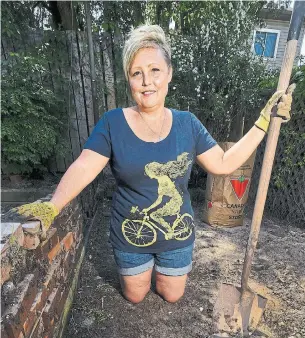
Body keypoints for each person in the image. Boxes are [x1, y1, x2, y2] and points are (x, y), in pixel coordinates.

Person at [11, 25, 294, 304]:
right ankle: (139, 267)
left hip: (176, 233)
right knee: (135, 296)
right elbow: (84, 166)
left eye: (155, 70)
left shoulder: (187, 124)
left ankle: (167, 264)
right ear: (129, 80)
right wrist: (53, 205)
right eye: (137, 73)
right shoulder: (113, 123)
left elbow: (222, 163)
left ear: (169, 73)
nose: (147, 81)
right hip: (130, 231)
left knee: (172, 295)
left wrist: (263, 122)